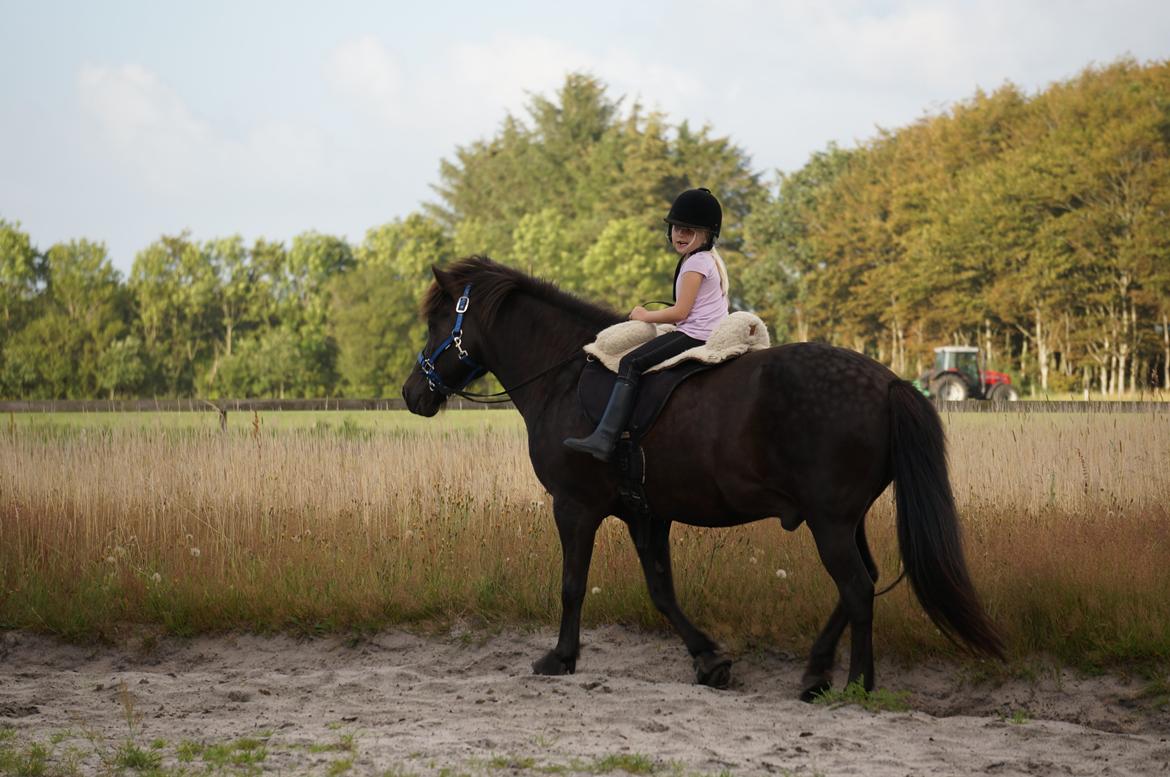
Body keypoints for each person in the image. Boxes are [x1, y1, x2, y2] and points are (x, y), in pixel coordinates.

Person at [564, 187, 730, 462]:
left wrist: (645, 315)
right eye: (676, 228)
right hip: (703, 329)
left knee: (631, 362)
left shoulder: (695, 264)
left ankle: (605, 437)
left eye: (689, 230)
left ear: (706, 235)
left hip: (696, 334)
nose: (680, 235)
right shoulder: (704, 258)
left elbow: (680, 312)